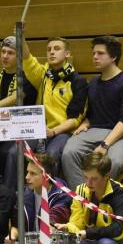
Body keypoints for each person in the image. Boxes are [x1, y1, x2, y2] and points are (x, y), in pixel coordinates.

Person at [62, 36, 123, 189]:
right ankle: (82, 200)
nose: (95, 57)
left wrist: (105, 145)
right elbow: (92, 114)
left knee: (114, 162)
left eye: (100, 53)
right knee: (69, 153)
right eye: (93, 53)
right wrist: (85, 123)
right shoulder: (93, 83)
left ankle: (100, 202)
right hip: (95, 131)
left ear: (113, 56)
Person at [0, 36, 38, 191]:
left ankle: (8, 194)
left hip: (22, 128)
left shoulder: (27, 77)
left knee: (6, 152)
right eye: (3, 52)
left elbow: (18, 95)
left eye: (10, 53)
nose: (5, 56)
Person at [22, 35, 89, 171]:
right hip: (40, 130)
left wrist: (53, 131)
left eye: (57, 49)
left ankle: (53, 192)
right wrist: (21, 35)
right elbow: (27, 58)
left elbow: (75, 119)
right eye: (49, 49)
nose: (52, 52)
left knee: (51, 155)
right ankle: (15, 192)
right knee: (15, 152)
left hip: (64, 132)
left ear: (67, 54)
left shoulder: (78, 81)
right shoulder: (42, 76)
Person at [0, 153, 72, 244]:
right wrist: (12, 235)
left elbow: (54, 221)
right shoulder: (23, 194)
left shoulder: (61, 196)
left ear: (46, 176)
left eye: (33, 173)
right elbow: (17, 225)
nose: (27, 177)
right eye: (27, 172)